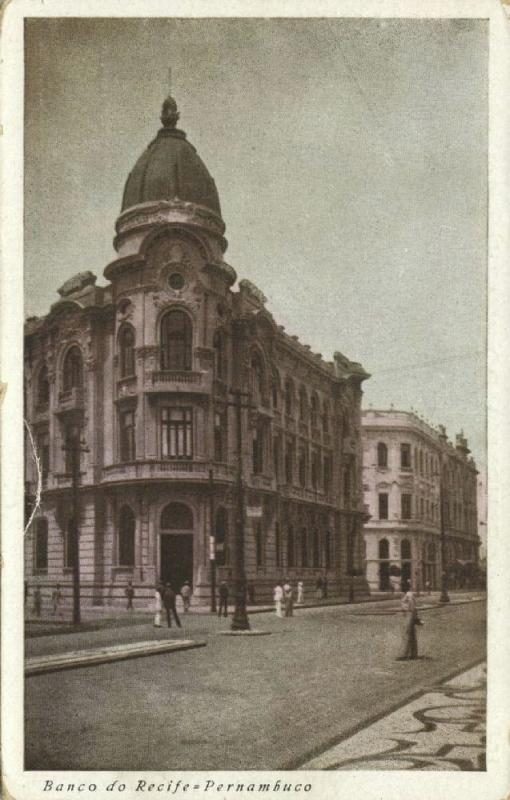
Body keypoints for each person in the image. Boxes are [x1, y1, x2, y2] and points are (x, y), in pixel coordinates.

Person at [396, 583, 421, 660]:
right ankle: (413, 653)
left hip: (409, 614)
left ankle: (403, 654)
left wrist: (413, 617)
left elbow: (412, 607)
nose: (400, 589)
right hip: (409, 614)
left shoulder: (409, 595)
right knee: (412, 634)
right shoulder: (407, 595)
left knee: (406, 633)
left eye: (402, 587)